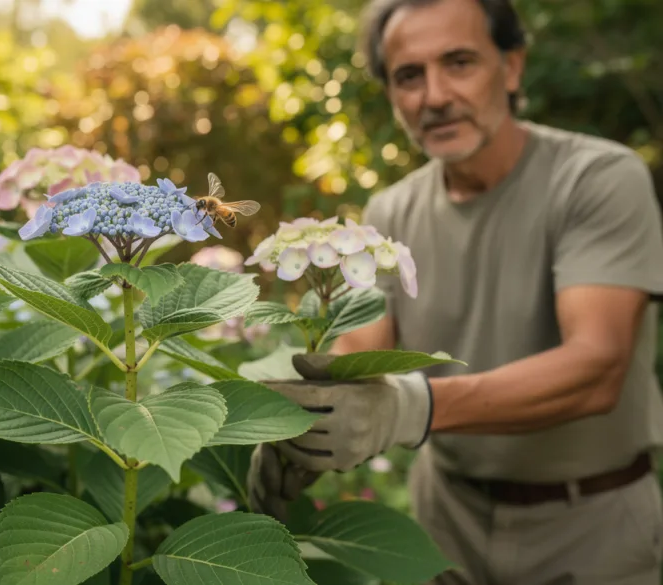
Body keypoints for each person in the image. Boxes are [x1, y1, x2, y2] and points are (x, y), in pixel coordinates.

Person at [246, 0, 663, 583]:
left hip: (591, 529)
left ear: (512, 67)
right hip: (444, 524)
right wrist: (298, 428)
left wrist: (410, 408)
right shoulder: (392, 211)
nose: (434, 96)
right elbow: (358, 356)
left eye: (460, 62)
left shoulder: (596, 179)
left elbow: (599, 367)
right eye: (408, 75)